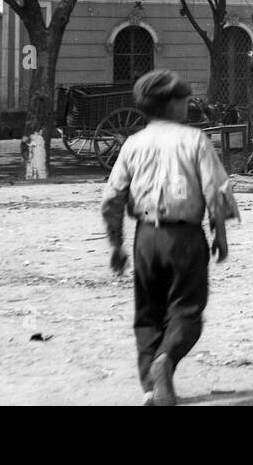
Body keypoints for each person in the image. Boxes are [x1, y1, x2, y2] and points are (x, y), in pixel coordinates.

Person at [101, 69, 239, 406]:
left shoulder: (133, 144)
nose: (187, 105)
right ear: (171, 104)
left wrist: (116, 245)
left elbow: (112, 197)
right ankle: (167, 359)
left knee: (148, 313)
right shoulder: (195, 140)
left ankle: (151, 389)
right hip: (185, 238)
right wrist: (220, 234)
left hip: (146, 238)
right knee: (187, 310)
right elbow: (215, 190)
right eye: (184, 100)